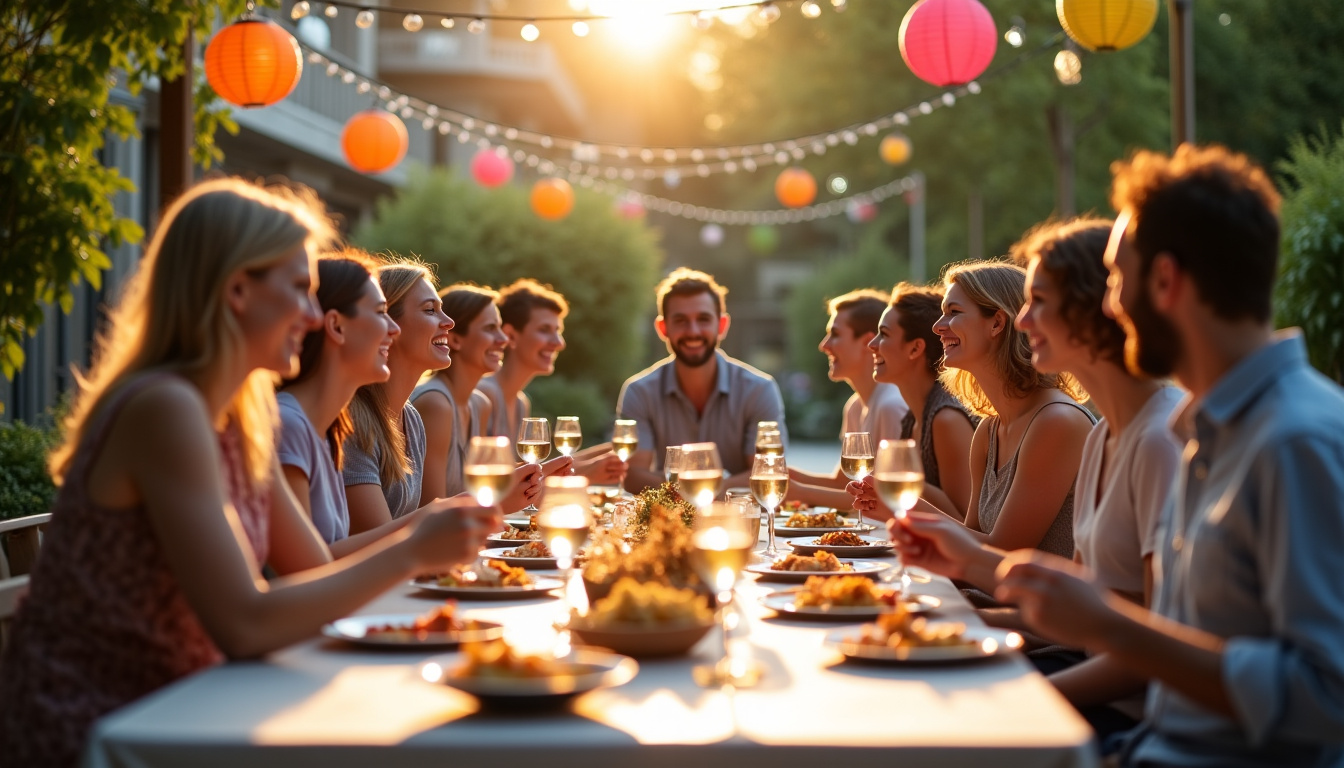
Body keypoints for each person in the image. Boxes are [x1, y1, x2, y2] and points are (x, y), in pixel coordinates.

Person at [0, 180, 498, 767]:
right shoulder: (166, 408)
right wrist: (414, 548)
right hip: (106, 724)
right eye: (299, 290)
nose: (313, 316)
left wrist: (426, 535)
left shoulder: (242, 415)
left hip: (195, 703)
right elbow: (243, 623)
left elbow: (314, 573)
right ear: (237, 291)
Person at [990, 145, 1344, 766]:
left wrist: (1106, 626)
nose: (1109, 304)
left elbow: (1327, 696)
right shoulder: (1202, 432)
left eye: (1118, 279)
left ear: (1166, 281)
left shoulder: (1296, 440)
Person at [888, 218, 1184, 737]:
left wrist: (1022, 700)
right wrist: (941, 623)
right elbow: (1074, 613)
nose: (1022, 320)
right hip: (1078, 665)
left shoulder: (1137, 436)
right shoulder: (1103, 436)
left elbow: (1148, 651)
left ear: (1102, 306)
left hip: (1129, 716)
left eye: (1037, 302)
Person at [853, 262, 1094, 558]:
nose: (937, 326)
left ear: (996, 323)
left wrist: (912, 510)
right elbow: (972, 546)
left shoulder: (1057, 422)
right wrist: (903, 510)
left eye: (954, 312)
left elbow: (1003, 556)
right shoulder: (988, 430)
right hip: (984, 599)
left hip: (1023, 605)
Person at [343, 263, 545, 534]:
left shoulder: (410, 417)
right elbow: (380, 542)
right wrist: (485, 503)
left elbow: (421, 527)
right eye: (430, 310)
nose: (449, 322)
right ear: (389, 325)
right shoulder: (356, 420)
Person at [617, 267, 787, 493]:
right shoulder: (639, 391)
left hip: (740, 522)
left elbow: (768, 472)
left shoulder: (759, 389)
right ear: (662, 328)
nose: (693, 331)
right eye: (681, 321)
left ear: (722, 325)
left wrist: (695, 488)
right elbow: (633, 476)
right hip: (670, 521)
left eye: (703, 319)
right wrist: (709, 487)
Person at [477, 278, 624, 484]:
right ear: (510, 335)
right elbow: (494, 485)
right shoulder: (485, 394)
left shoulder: (519, 402)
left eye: (558, 331)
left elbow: (524, 473)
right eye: (545, 330)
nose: (559, 343)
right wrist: (583, 472)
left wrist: (596, 458)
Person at [788, 289, 908, 508]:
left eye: (835, 334)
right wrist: (786, 475)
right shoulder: (854, 406)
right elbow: (844, 483)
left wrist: (799, 491)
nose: (824, 345)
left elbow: (886, 499)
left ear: (867, 342)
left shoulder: (892, 406)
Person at [866, 283, 977, 518]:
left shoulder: (946, 418)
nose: (872, 344)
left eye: (883, 334)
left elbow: (964, 521)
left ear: (915, 348)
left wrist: (900, 476)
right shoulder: (913, 417)